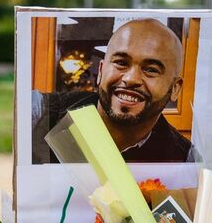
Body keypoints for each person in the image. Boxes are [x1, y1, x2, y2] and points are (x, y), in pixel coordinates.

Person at [35, 18, 193, 164]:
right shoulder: (40, 116)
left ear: (175, 88)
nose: (131, 79)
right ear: (101, 70)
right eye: (121, 63)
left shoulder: (185, 161)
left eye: (151, 70)